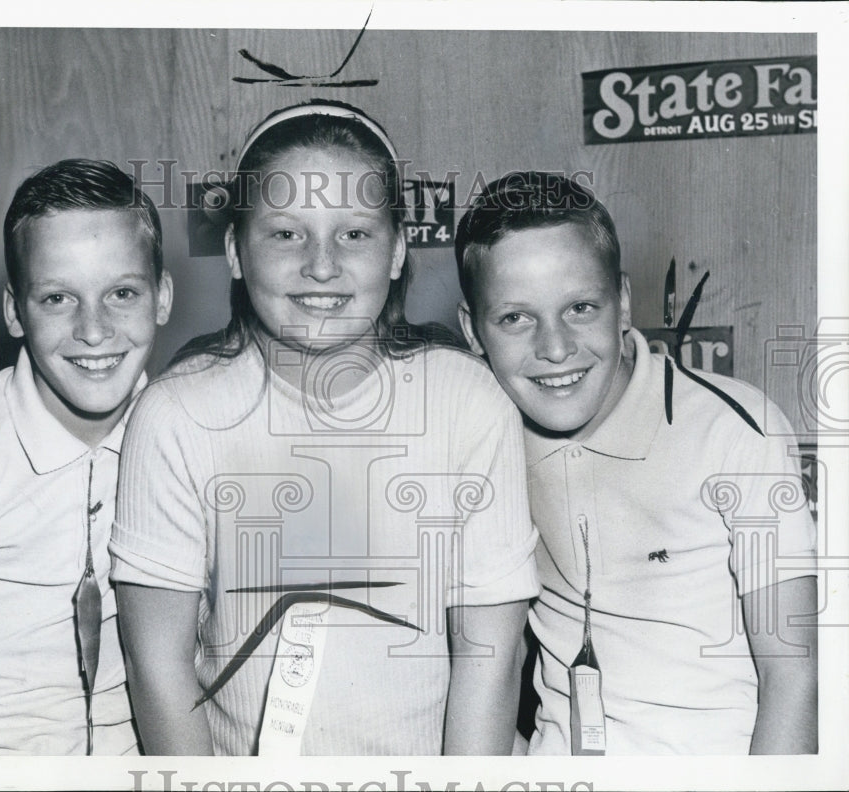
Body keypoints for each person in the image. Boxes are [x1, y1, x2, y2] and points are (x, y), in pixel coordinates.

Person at [109, 101, 539, 756]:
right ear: (233, 250)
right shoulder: (177, 417)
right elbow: (158, 670)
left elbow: (490, 660)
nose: (320, 264)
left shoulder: (468, 404)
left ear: (397, 250)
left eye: (354, 234)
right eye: (285, 234)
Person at [454, 171, 818, 755]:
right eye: (516, 318)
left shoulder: (733, 430)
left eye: (580, 307)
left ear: (622, 301)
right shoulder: (478, 443)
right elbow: (487, 666)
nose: (555, 348)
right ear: (473, 330)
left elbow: (795, 676)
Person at [0, 158, 174, 754]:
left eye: (122, 293)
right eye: (57, 298)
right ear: (15, 311)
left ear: (162, 298)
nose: (94, 330)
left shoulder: (189, 443)